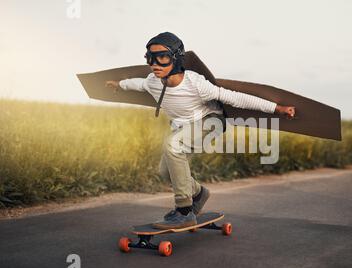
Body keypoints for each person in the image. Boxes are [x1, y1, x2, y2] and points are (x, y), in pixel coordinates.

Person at [106, 32, 295, 229]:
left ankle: (184, 211)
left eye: (162, 57)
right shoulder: (153, 81)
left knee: (173, 145)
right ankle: (198, 193)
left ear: (176, 58)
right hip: (184, 127)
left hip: (210, 122)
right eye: (150, 58)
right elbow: (138, 84)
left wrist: (276, 108)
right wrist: (118, 85)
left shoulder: (195, 83)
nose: (155, 63)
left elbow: (235, 97)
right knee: (166, 171)